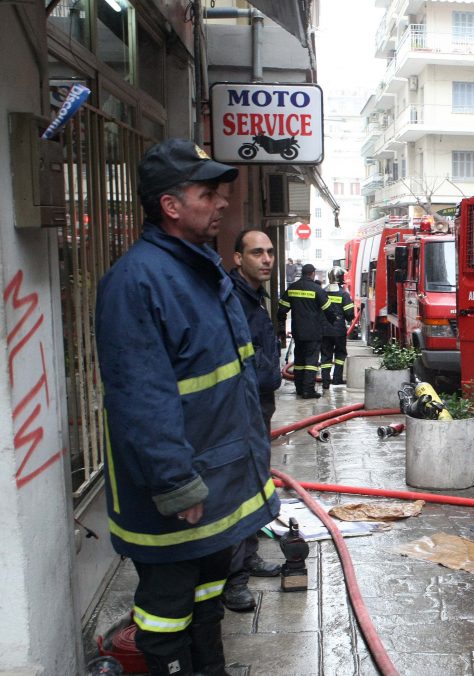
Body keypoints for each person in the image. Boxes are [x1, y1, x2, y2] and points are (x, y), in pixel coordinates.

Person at [95, 138, 280, 675]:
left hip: (216, 479)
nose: (222, 202)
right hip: (181, 495)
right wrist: (175, 482)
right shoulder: (137, 282)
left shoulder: (201, 269)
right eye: (208, 193)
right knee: (165, 614)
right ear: (171, 206)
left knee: (206, 599)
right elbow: (139, 398)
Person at [224, 229, 284, 612]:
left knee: (256, 486)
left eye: (270, 252)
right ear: (237, 258)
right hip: (241, 409)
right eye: (256, 252)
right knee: (238, 491)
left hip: (260, 404)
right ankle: (233, 581)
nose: (266, 259)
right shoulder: (232, 300)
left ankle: (248, 558)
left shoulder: (254, 298)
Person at [278, 263, 339, 398]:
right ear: (312, 274)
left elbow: (282, 309)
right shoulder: (317, 290)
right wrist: (334, 321)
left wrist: (281, 327)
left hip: (298, 332)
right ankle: (308, 390)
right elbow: (328, 310)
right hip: (313, 332)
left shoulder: (292, 288)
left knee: (299, 361)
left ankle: (299, 388)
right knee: (311, 362)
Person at [320, 267, 356, 391]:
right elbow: (350, 313)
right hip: (339, 331)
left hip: (324, 330)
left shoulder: (322, 292)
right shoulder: (344, 294)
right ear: (341, 279)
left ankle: (325, 382)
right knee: (340, 354)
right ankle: (336, 379)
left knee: (325, 356)